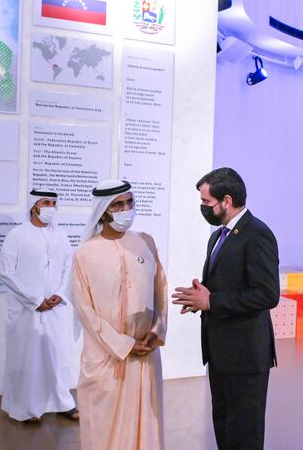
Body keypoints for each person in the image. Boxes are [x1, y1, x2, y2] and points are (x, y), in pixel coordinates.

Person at [172, 167, 280, 450]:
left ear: (227, 201)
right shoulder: (218, 236)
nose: (203, 208)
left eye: (207, 203)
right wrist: (200, 300)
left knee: (244, 433)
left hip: (245, 356)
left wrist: (212, 302)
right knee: (225, 427)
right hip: (221, 352)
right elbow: (223, 288)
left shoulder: (257, 235)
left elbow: (268, 294)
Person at [71, 179, 168, 450]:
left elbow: (160, 289)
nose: (126, 209)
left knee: (145, 424)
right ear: (103, 211)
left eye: (129, 202)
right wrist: (124, 345)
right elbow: (85, 311)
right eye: (118, 204)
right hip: (106, 358)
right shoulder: (85, 254)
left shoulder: (145, 242)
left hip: (145, 354)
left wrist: (157, 330)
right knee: (104, 428)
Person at [0, 188, 79, 423]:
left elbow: (68, 268)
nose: (51, 207)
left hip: (56, 308)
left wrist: (58, 294)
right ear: (35, 206)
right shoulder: (16, 235)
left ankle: (63, 403)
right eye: (47, 202)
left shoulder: (61, 235)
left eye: (54, 202)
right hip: (26, 311)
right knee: (27, 358)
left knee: (58, 357)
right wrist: (35, 300)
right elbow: (7, 273)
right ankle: (28, 407)